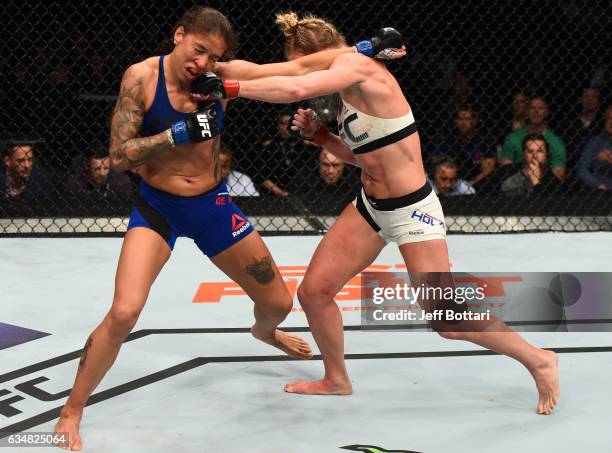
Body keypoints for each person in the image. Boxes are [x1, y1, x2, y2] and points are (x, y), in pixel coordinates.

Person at [54, 7, 406, 450]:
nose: (202, 63)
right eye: (197, 50)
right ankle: (72, 409)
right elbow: (120, 156)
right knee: (124, 311)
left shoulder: (219, 78)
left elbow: (296, 70)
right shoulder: (140, 78)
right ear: (178, 35)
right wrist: (173, 135)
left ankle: (264, 333)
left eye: (212, 56)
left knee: (278, 302)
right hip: (158, 208)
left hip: (213, 205)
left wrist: (365, 51)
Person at [194, 11, 559, 415]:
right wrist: (213, 65)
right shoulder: (345, 79)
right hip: (370, 207)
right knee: (314, 293)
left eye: (301, 58)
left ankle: (539, 359)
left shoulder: (357, 68)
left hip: (412, 210)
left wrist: (228, 86)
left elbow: (295, 83)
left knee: (445, 317)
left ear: (315, 53)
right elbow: (360, 156)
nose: (300, 66)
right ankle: (336, 379)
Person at [500, 97, 567, 181]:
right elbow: (505, 173)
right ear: (527, 111)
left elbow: (558, 178)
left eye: (540, 108)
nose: (536, 111)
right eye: (532, 107)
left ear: (546, 112)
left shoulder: (556, 143)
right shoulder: (512, 138)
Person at [431, 105, 496, 187]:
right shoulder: (447, 138)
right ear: (455, 121)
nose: (463, 123)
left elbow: (488, 169)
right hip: (448, 181)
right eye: (460, 119)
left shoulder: (485, 139)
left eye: (467, 119)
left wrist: (468, 185)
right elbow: (435, 161)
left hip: (476, 184)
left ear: (475, 121)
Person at [63, 143, 133, 196]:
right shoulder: (74, 183)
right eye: (97, 169)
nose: (102, 174)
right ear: (86, 165)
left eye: (106, 168)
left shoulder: (122, 182)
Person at [576, 106, 612, 192]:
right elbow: (581, 170)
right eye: (609, 118)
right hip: (601, 191)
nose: (611, 122)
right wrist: (599, 185)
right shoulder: (595, 142)